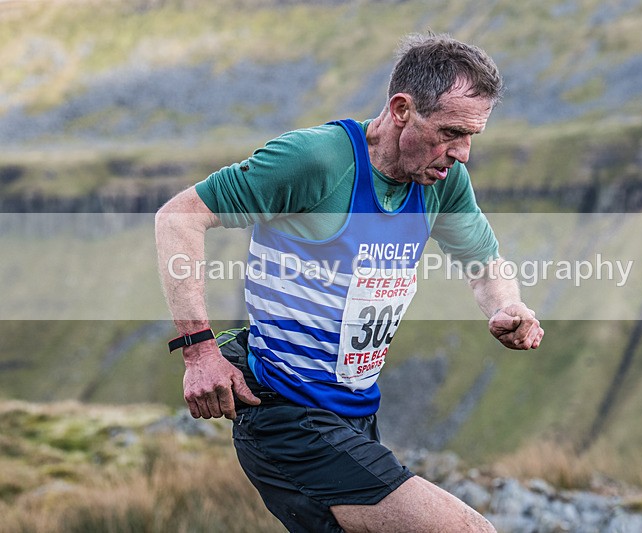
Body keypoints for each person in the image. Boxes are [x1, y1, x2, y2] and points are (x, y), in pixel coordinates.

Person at [155, 33, 543, 533]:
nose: (462, 153)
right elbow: (178, 217)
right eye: (450, 132)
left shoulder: (442, 182)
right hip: (286, 415)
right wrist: (198, 350)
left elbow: (484, 262)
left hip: (356, 415)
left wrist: (506, 307)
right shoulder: (317, 161)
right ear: (402, 108)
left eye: (471, 137)